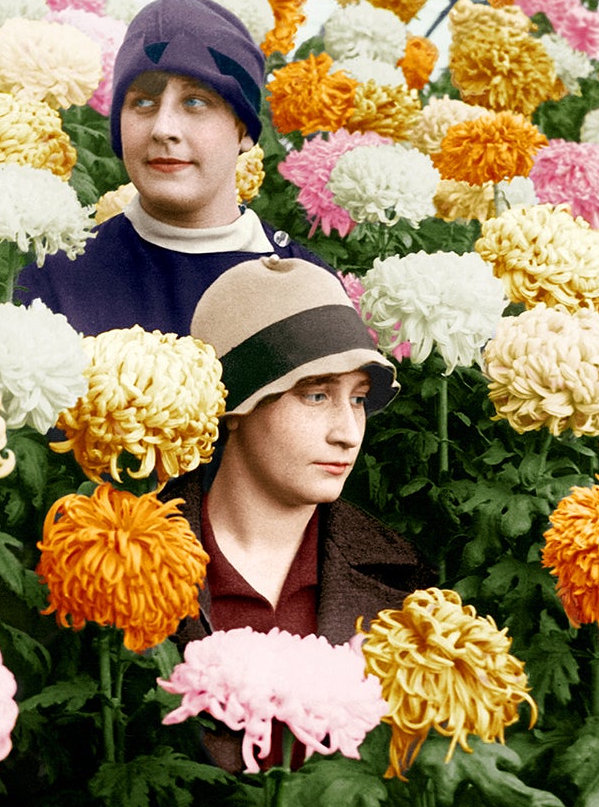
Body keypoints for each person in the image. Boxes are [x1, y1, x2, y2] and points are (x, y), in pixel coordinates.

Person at [165, 256, 430, 770]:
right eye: (315, 395)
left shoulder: (404, 579)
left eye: (356, 399)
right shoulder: (123, 564)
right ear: (236, 406)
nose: (348, 432)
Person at [15, 0, 326, 334]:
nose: (163, 129)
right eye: (143, 102)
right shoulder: (56, 281)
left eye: (195, 101)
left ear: (244, 130)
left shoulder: (311, 288)